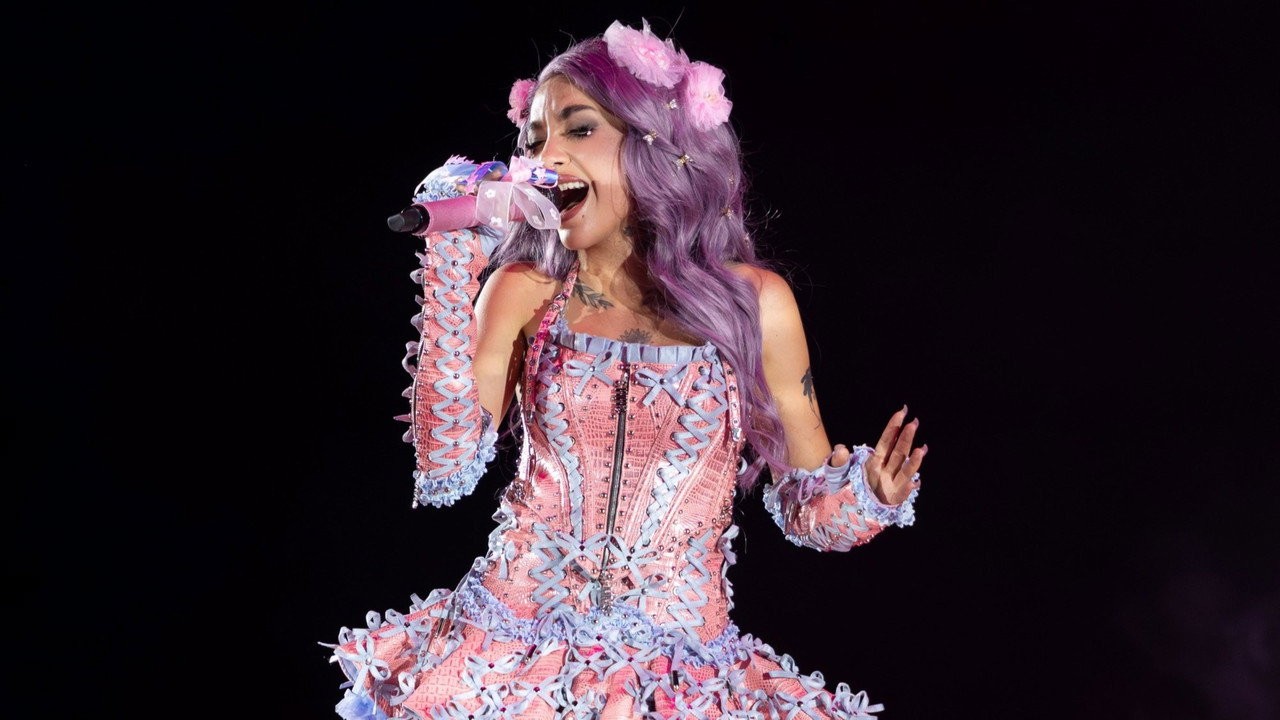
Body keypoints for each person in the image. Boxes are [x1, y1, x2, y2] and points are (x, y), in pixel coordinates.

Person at [325, 19, 928, 720]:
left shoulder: (753, 305)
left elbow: (807, 503)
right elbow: (447, 463)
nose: (544, 159)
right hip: (508, 657)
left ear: (657, 147)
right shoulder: (523, 289)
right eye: (532, 141)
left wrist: (873, 497)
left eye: (577, 130)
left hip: (677, 676)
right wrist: (452, 261)